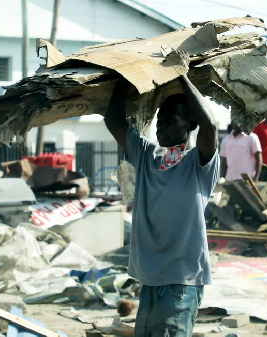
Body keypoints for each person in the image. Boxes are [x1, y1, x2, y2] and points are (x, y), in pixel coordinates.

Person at [104, 71, 219, 335]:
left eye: (170, 120)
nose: (161, 126)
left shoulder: (199, 163)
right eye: (160, 119)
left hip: (182, 281)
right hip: (150, 279)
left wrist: (182, 75)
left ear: (190, 124)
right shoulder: (147, 156)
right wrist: (123, 76)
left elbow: (210, 126)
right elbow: (113, 120)